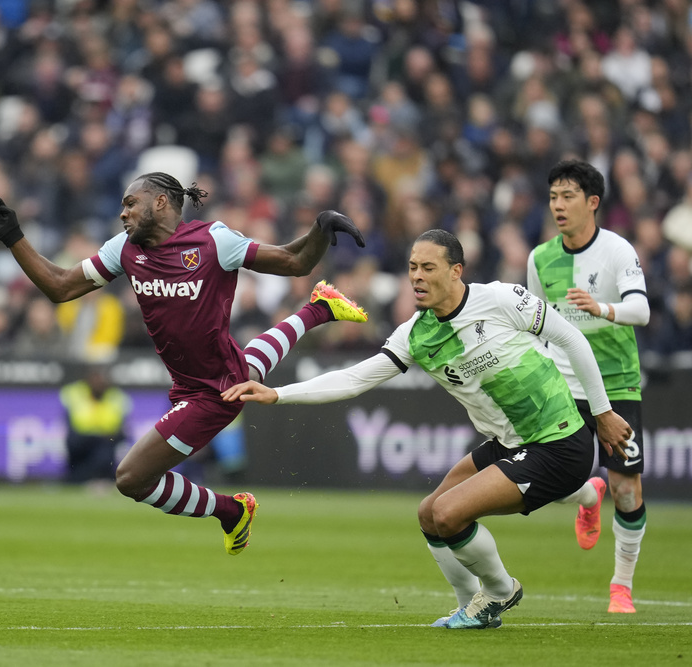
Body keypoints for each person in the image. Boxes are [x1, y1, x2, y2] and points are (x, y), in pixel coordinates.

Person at [222, 229, 633, 628]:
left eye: (428, 267)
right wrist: (277, 394)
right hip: (508, 444)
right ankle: (470, 603)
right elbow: (354, 378)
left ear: (456, 271)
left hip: (559, 442)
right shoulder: (416, 335)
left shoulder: (501, 299)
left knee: (448, 513)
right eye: (412, 267)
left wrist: (603, 412)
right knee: (428, 515)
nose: (417, 276)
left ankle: (499, 590)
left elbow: (573, 339)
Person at [0, 171, 368, 555]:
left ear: (161, 202)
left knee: (131, 478)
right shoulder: (125, 249)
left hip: (212, 394)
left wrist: (320, 228)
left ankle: (232, 511)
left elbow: (293, 261)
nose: (123, 213)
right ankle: (319, 309)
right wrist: (13, 237)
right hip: (204, 375)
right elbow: (61, 285)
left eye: (131, 203)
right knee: (246, 367)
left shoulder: (214, 240)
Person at [527, 160, 650, 614]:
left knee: (627, 490)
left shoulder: (617, 251)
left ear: (592, 202)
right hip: (563, 382)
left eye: (568, 197)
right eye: (554, 197)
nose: (558, 206)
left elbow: (642, 311)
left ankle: (621, 586)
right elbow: (535, 323)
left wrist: (602, 309)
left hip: (616, 383)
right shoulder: (540, 257)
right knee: (549, 477)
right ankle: (585, 495)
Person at [60, 365, 132, 488]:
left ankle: (96, 480)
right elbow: (69, 424)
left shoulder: (117, 397)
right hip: (81, 440)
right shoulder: (74, 393)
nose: (98, 383)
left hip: (106, 442)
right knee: (78, 444)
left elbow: (123, 429)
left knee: (105, 450)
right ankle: (82, 480)